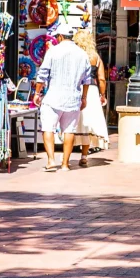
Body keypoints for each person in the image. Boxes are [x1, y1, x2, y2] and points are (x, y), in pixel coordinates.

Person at [34, 23, 92, 172]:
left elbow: (42, 74)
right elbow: (87, 79)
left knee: (48, 128)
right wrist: (84, 97)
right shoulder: (82, 54)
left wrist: (37, 93)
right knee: (69, 131)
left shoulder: (53, 51)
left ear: (59, 36)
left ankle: (51, 160)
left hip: (53, 98)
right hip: (73, 98)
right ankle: (65, 164)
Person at [71, 30, 109, 165]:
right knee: (87, 123)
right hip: (91, 91)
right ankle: (84, 156)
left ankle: (67, 155)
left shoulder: (74, 55)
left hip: (75, 89)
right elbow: (102, 79)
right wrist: (102, 95)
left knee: (73, 123)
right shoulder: (96, 57)